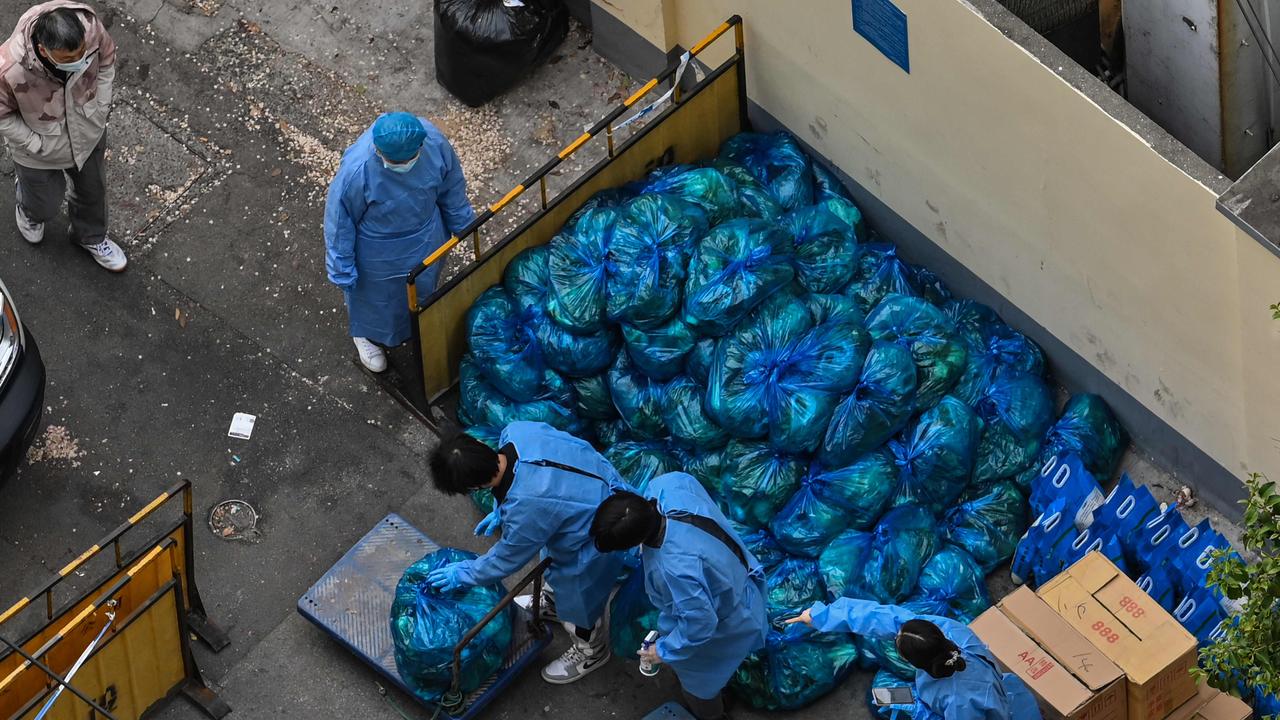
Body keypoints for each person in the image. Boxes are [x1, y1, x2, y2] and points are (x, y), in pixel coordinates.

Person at [425, 422, 627, 684]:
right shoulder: (518, 432)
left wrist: (462, 574)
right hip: (598, 490)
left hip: (595, 539)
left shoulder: (526, 510)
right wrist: (501, 509)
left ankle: (592, 651)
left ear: (475, 487)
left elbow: (505, 560)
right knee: (554, 571)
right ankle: (554, 606)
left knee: (580, 603)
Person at [591, 472, 768, 720]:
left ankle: (713, 714)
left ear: (634, 543)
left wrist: (662, 651)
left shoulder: (676, 572)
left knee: (700, 686)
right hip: (737, 572)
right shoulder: (666, 486)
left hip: (729, 619)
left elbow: (701, 624)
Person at [324, 111, 474, 372]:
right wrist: (342, 267)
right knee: (376, 300)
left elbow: (451, 185)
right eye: (394, 160)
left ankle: (415, 327)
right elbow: (339, 221)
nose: (402, 165)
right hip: (378, 253)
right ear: (378, 149)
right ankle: (366, 336)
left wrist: (463, 222)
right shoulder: (357, 170)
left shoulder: (434, 143)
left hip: (426, 236)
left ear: (420, 146)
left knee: (422, 289)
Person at [0, 2, 126, 271]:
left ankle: (90, 237)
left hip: (88, 133)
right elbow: (3, 116)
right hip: (38, 151)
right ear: (44, 51)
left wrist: (101, 106)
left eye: (82, 54)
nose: (80, 61)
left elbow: (106, 60)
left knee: (93, 192)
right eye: (69, 59)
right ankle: (29, 210)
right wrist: (35, 143)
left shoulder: (90, 29)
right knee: (43, 204)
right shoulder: (9, 69)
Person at [786, 598, 1043, 720]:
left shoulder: (962, 703)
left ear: (917, 664)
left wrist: (913, 707)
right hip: (997, 691)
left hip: (1000, 713)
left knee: (883, 698)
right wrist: (821, 616)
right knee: (884, 696)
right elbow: (885, 617)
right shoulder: (950, 632)